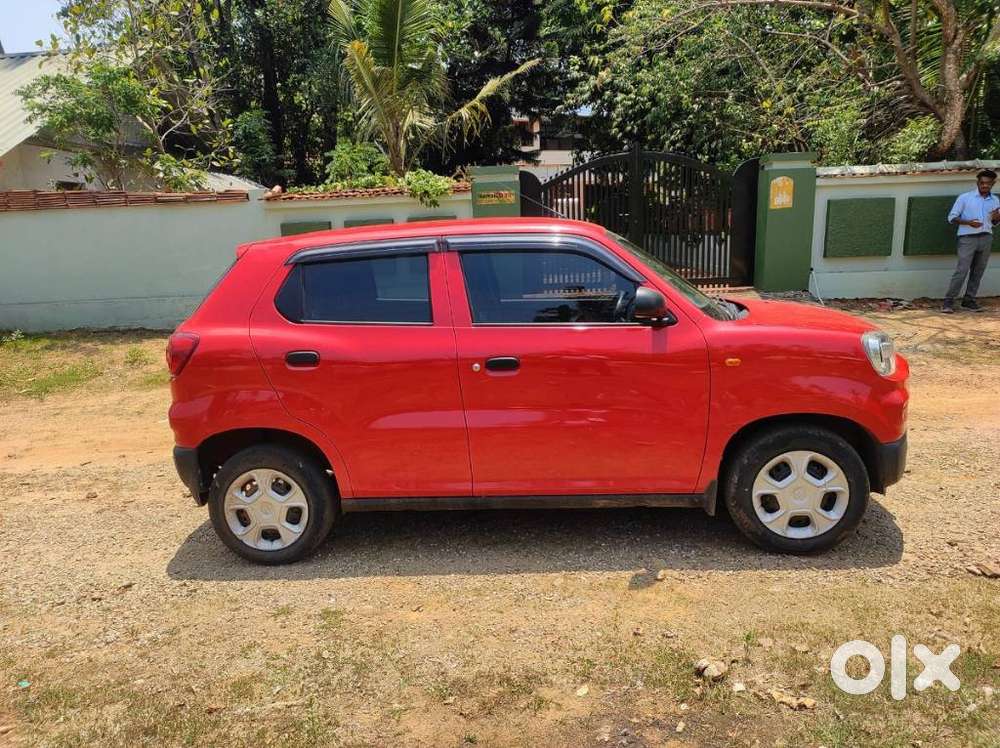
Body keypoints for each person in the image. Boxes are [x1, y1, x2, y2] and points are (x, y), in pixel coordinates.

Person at [943, 169, 999, 313]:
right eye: (982, 183)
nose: (984, 185)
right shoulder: (965, 198)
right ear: (977, 182)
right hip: (967, 238)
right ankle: (948, 302)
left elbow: (994, 223)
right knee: (962, 270)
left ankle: (969, 300)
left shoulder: (995, 200)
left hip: (986, 237)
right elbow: (952, 217)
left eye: (988, 183)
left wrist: (996, 218)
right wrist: (968, 223)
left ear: (993, 183)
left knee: (978, 271)